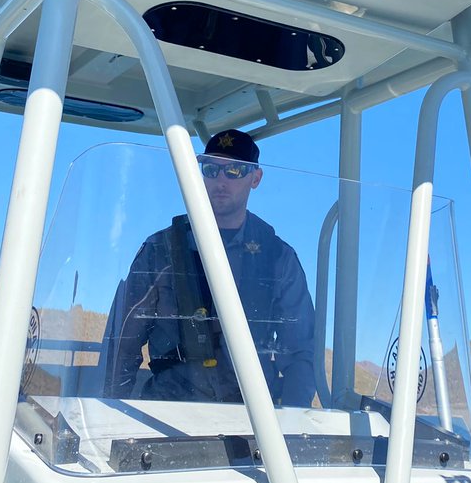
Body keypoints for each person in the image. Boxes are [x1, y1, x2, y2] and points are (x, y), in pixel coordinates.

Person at [101, 129, 315, 407]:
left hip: (251, 417)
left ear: (256, 178)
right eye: (211, 169)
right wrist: (107, 409)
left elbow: (300, 351)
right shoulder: (161, 249)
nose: (221, 181)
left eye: (235, 171)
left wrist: (292, 425)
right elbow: (123, 343)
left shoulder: (277, 257)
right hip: (170, 408)